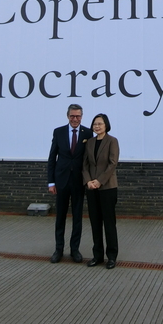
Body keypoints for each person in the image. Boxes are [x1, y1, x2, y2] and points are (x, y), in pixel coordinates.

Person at [47, 103, 92, 263]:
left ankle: (75, 250)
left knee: (77, 217)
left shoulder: (88, 132)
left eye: (78, 116)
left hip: (79, 182)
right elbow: (52, 158)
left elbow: (90, 159)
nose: (75, 119)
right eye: (72, 116)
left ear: (81, 116)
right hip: (61, 181)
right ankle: (58, 249)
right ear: (68, 116)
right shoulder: (58, 132)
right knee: (60, 217)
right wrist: (51, 182)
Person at [82, 113, 119, 269]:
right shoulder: (89, 142)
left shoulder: (112, 141)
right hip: (92, 188)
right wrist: (88, 181)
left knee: (109, 223)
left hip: (107, 187)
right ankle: (97, 255)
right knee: (95, 222)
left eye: (100, 124)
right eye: (95, 124)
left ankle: (111, 256)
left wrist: (99, 181)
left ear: (106, 125)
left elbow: (112, 164)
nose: (97, 126)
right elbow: (84, 165)